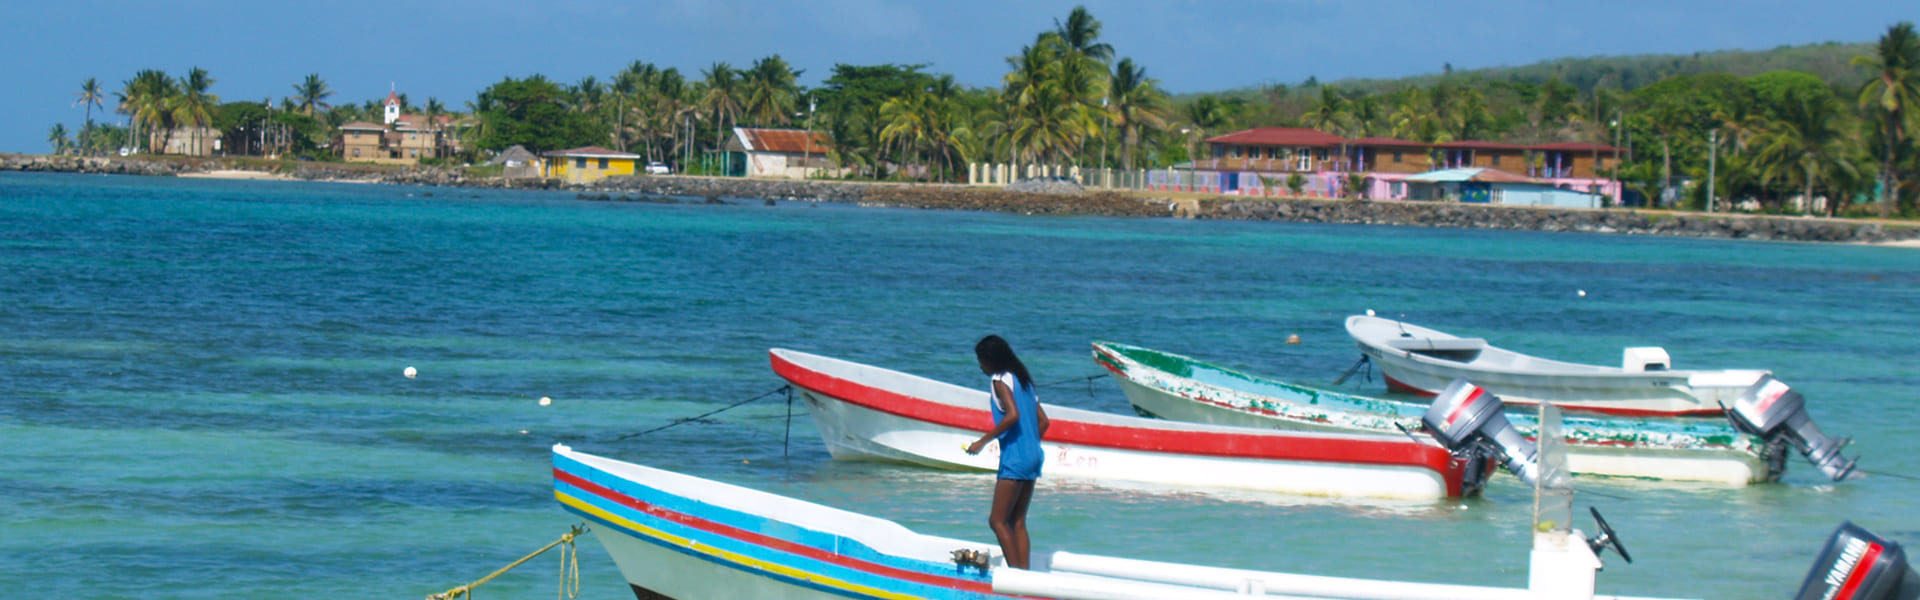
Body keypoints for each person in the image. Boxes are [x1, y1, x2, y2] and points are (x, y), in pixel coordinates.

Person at [963, 334, 1049, 570]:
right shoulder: (1024, 381)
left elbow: (1012, 415)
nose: (980, 366)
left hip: (1016, 458)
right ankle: (1027, 578)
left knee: (997, 521)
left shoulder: (999, 380)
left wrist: (982, 441)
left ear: (989, 360)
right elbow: (1044, 422)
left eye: (981, 360)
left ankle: (1017, 578)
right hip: (1034, 456)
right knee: (1017, 521)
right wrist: (1029, 443)